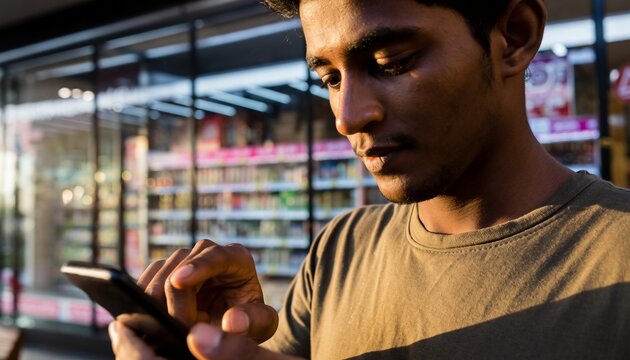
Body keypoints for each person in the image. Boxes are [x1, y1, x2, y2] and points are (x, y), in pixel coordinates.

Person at [109, 0, 630, 358]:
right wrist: (213, 348)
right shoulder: (339, 250)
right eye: (330, 79)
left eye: (391, 62)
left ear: (513, 37)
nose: (348, 116)